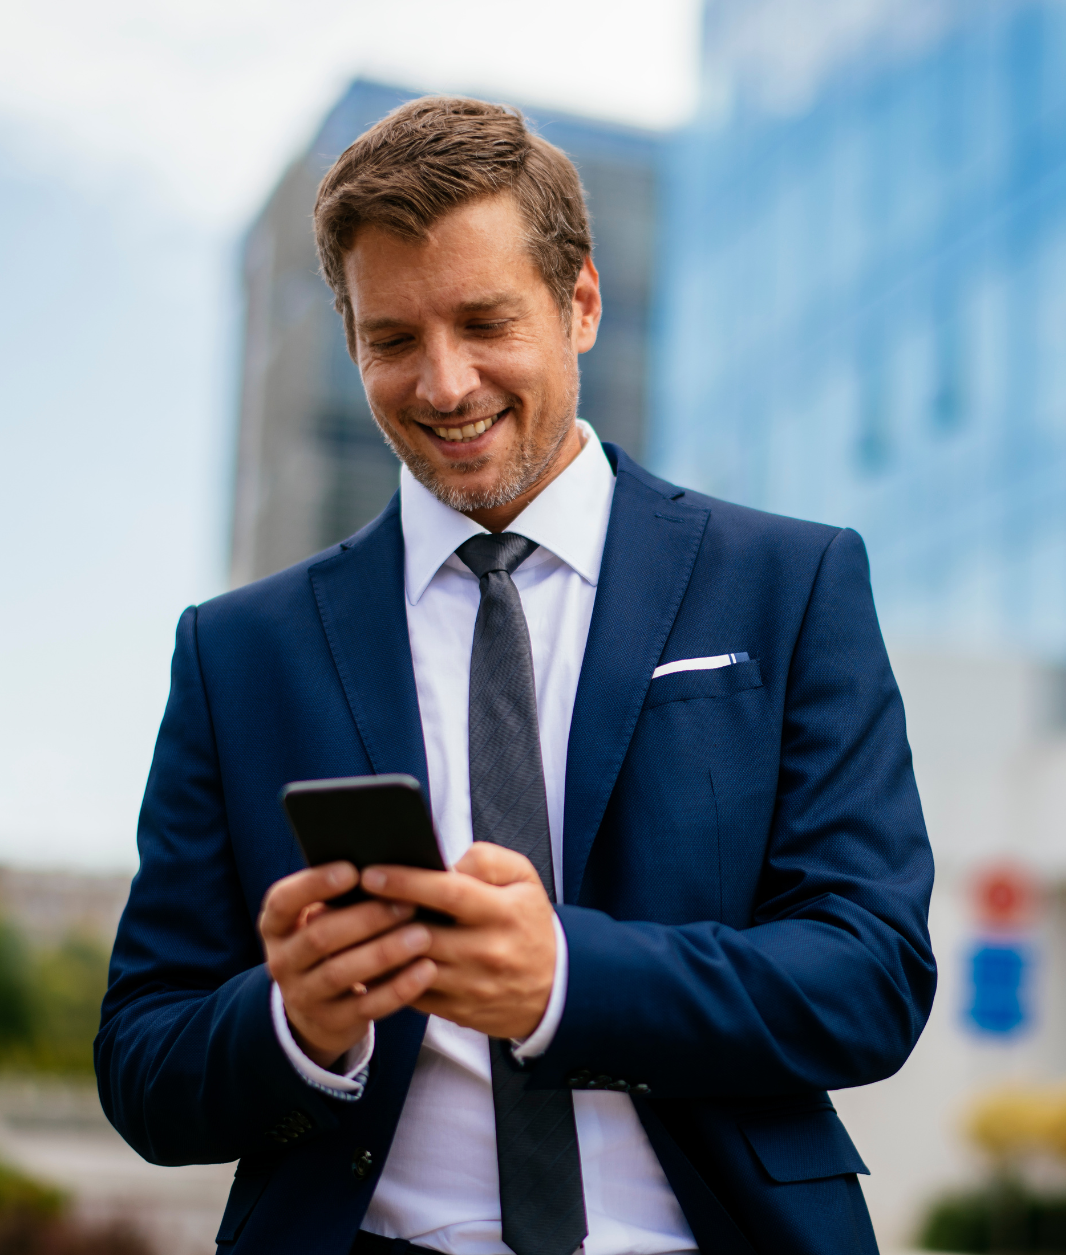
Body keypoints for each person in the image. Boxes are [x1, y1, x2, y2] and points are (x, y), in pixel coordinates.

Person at [96, 96, 935, 1255]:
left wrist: (567, 979)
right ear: (351, 342)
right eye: (393, 339)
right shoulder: (237, 652)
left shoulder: (790, 584)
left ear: (580, 302)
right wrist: (292, 1021)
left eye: (485, 321)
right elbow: (143, 1056)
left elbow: (870, 974)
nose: (444, 385)